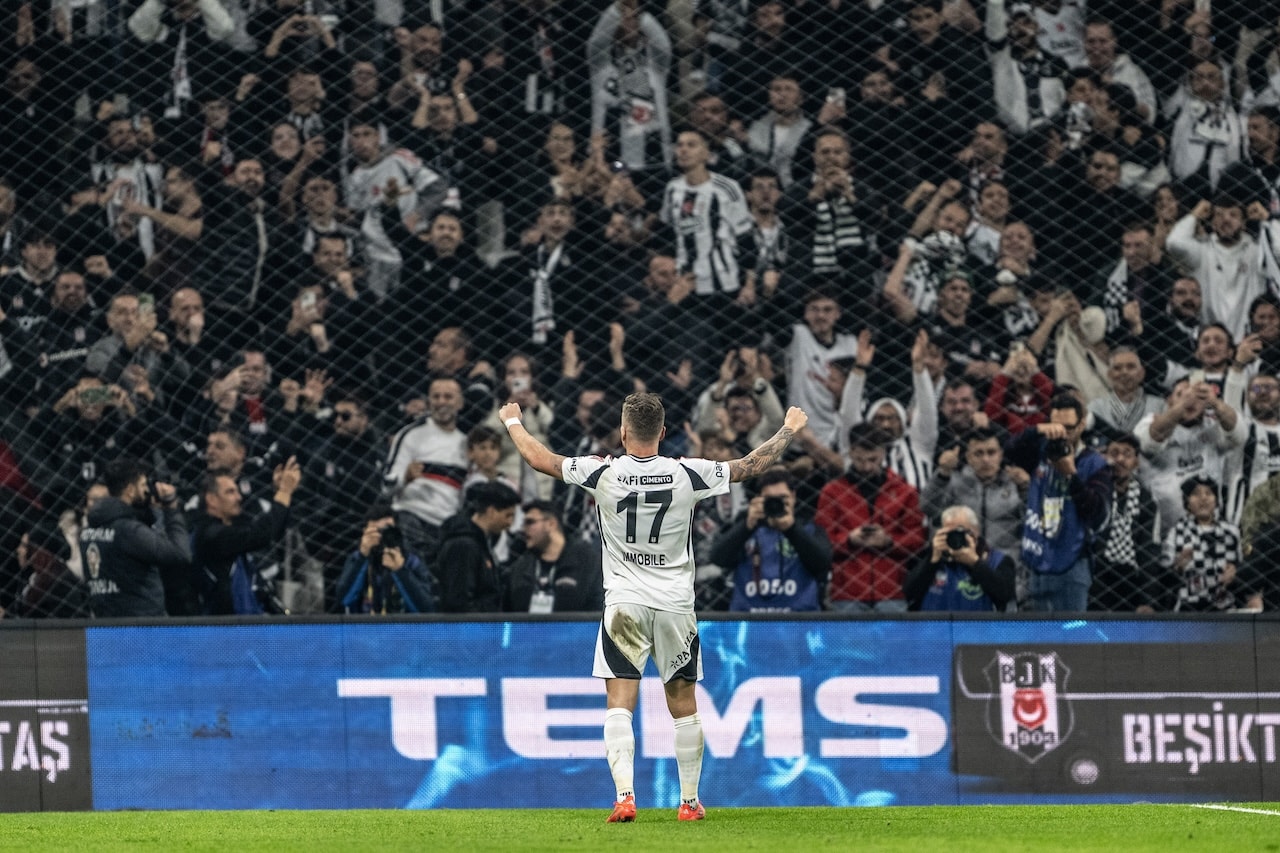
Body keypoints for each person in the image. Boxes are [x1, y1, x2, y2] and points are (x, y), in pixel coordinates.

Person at [498, 391, 808, 823]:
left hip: (625, 603)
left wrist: (513, 421)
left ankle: (625, 797)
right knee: (683, 705)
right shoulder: (688, 473)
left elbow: (541, 460)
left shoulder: (602, 472)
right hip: (675, 605)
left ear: (623, 432)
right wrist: (789, 428)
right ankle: (689, 803)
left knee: (619, 703)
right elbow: (750, 465)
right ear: (663, 433)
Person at [1004, 393, 1112, 612]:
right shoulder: (1041, 451)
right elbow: (1009, 449)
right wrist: (1037, 430)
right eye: (1056, 427)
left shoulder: (1095, 464)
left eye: (1069, 428)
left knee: (1071, 630)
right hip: (1037, 558)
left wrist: (1071, 476)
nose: (1062, 434)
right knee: (1037, 631)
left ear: (1082, 425)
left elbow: (1097, 513)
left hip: (1072, 563)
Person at [815, 423, 927, 613]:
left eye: (872, 459)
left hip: (892, 590)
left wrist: (889, 541)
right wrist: (849, 540)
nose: (866, 467)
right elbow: (820, 542)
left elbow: (918, 539)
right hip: (847, 591)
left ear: (883, 453)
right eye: (860, 460)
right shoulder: (832, 492)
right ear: (850, 452)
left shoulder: (905, 492)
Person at [80, 457, 191, 618]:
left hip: (105, 623)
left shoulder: (88, 531)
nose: (147, 490)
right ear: (131, 490)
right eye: (143, 485)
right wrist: (171, 508)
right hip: (142, 624)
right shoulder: (128, 531)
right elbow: (180, 554)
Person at [708, 467, 831, 612]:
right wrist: (747, 526)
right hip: (748, 618)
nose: (776, 503)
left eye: (782, 498)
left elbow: (823, 564)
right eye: (770, 499)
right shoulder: (746, 527)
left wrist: (791, 529)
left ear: (793, 496)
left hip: (798, 618)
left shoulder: (809, 529)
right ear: (759, 499)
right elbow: (717, 558)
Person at [190, 458, 301, 615]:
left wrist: (278, 492)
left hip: (245, 622)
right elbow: (261, 534)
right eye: (230, 492)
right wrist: (284, 492)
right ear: (212, 499)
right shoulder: (210, 535)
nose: (239, 497)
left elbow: (269, 528)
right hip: (225, 626)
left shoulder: (229, 528)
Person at [904, 504, 1016, 612]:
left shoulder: (997, 560)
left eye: (960, 532)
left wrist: (975, 563)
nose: (955, 537)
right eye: (949, 532)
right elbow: (909, 594)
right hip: (934, 624)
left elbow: (1004, 596)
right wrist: (931, 562)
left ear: (976, 532)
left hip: (979, 625)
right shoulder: (926, 557)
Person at [434, 481, 521, 613]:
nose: (510, 523)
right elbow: (459, 603)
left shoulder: (480, 543)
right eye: (507, 515)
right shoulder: (464, 546)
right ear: (491, 512)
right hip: (470, 625)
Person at [503, 500, 604, 613]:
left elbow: (597, 608)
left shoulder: (588, 563)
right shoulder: (521, 568)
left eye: (530, 522)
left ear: (551, 524)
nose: (523, 529)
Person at [335, 504, 435, 615]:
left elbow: (426, 609)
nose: (382, 536)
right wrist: (362, 557)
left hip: (403, 625)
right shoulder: (357, 558)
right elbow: (343, 600)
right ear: (365, 532)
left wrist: (401, 571)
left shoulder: (411, 560)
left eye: (387, 530)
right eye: (377, 531)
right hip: (365, 624)